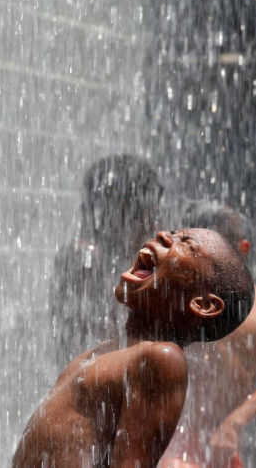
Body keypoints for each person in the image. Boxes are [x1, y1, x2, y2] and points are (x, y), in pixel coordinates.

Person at [14, 229, 254, 468]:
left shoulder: (163, 358)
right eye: (173, 232)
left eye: (187, 243)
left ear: (202, 304)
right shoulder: (114, 349)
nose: (163, 235)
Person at [160, 203, 256, 468]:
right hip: (176, 438)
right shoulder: (176, 300)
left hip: (224, 441)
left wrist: (235, 422)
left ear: (243, 250)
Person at [50, 154, 163, 369]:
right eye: (151, 212)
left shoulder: (111, 257)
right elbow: (93, 341)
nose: (154, 223)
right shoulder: (85, 259)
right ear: (125, 211)